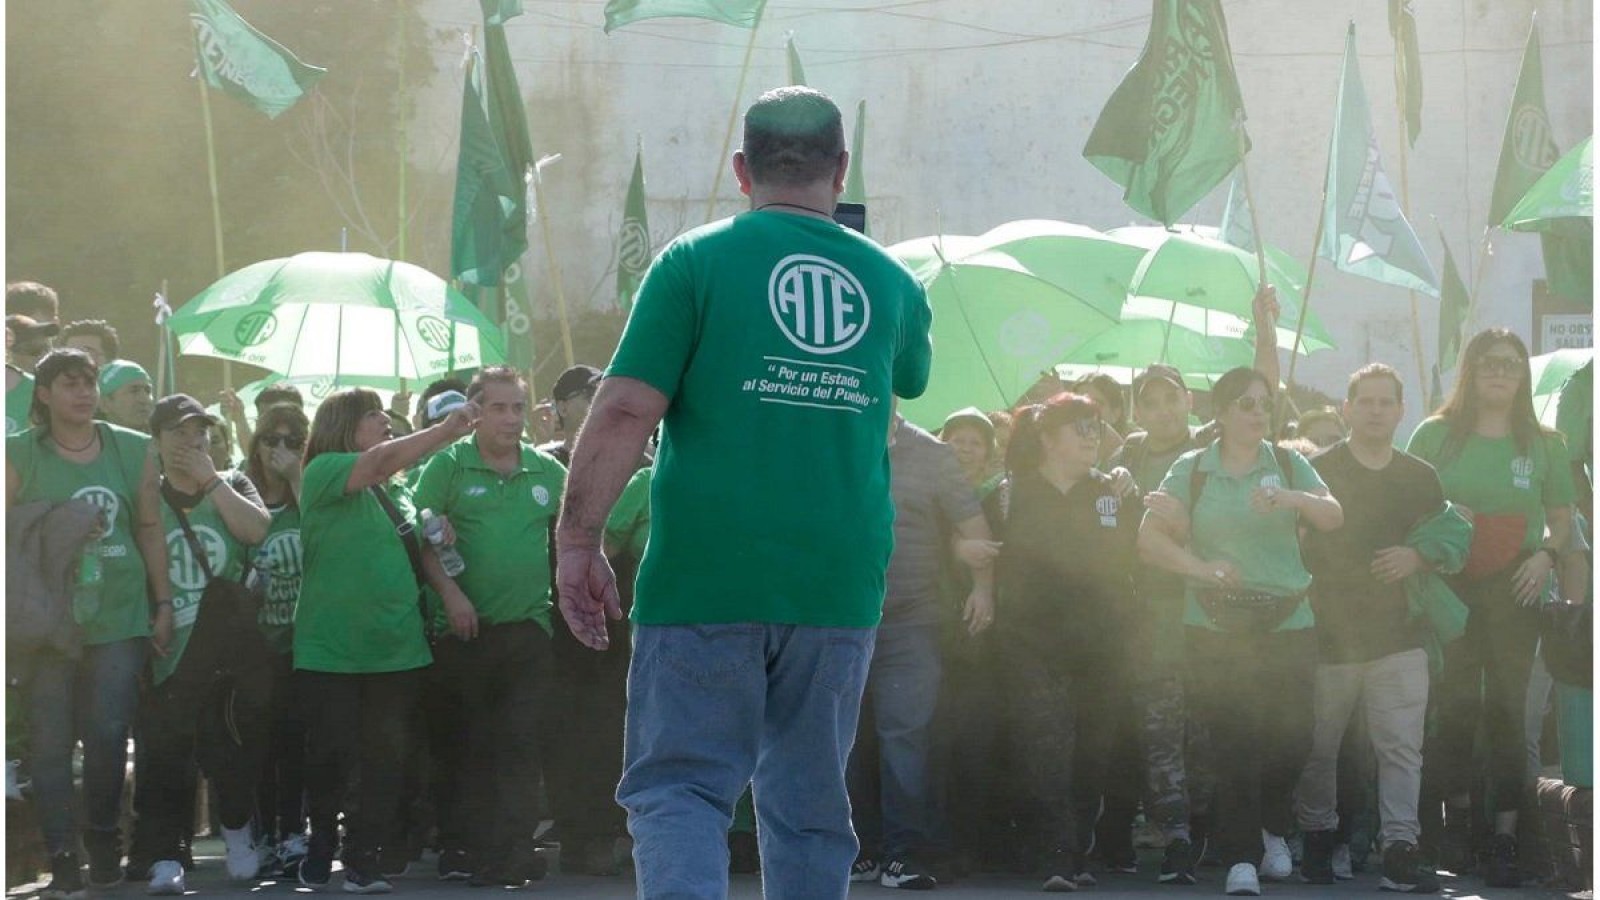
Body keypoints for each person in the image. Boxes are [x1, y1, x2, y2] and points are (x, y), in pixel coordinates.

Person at [555, 86, 932, 898]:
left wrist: (578, 541)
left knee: (681, 788)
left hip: (703, 577)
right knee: (806, 802)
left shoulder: (692, 261)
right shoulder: (893, 281)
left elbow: (623, 407)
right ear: (841, 168)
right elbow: (913, 378)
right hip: (836, 581)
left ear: (739, 170)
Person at [1137, 365, 1343, 897]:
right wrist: (1201, 570)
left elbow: (1333, 516)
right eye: (1246, 403)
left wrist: (1293, 500)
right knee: (1235, 741)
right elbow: (1149, 541)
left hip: (1288, 620)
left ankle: (1271, 823)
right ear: (1222, 412)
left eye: (1264, 402)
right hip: (1215, 622)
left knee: (1297, 734)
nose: (1257, 412)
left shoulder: (1291, 462)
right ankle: (1240, 859)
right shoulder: (1193, 468)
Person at [1107, 286, 1281, 886]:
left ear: (1190, 401)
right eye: (1148, 401)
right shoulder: (1123, 455)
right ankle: (1175, 837)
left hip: (1212, 611)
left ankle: (1210, 832)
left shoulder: (1211, 446)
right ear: (1136, 411)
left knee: (1208, 729)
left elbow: (1259, 391)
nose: (1160, 409)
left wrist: (1264, 329)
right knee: (1159, 731)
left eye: (1170, 397)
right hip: (1151, 617)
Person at [1406, 328, 1576, 888]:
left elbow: (1561, 516)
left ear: (1522, 374)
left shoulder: (1545, 441)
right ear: (1470, 372)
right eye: (1488, 364)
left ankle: (1504, 839)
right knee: (1450, 707)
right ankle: (1452, 832)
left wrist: (1547, 557)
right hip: (1449, 585)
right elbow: (1406, 508)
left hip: (1518, 587)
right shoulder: (1434, 435)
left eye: (1510, 364)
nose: (1500, 373)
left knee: (1506, 709)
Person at [293, 388, 478, 893]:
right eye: (372, 415)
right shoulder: (323, 470)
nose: (385, 421)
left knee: (384, 759)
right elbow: (376, 462)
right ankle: (321, 840)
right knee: (330, 755)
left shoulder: (398, 491)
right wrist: (445, 430)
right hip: (331, 648)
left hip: (395, 646)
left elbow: (418, 556)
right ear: (343, 425)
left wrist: (441, 544)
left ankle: (363, 858)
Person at [5, 349, 175, 897]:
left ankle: (102, 841)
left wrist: (164, 603)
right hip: (46, 623)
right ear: (45, 394)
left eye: (89, 383)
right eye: (68, 384)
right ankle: (62, 859)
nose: (82, 393)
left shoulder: (131, 448)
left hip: (119, 615)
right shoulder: (18, 453)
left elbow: (149, 526)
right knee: (50, 745)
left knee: (106, 735)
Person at [1292, 364, 1446, 893]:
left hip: (1401, 636)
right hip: (1327, 633)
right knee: (1320, 747)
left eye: (1387, 402)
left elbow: (1446, 536)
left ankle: (1401, 847)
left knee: (1402, 749)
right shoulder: (1315, 470)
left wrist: (1418, 556)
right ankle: (1316, 837)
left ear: (1402, 411)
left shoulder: (1421, 476)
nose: (1377, 410)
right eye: (1366, 401)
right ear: (1346, 408)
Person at [413, 367, 565, 887]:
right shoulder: (447, 466)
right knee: (475, 746)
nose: (510, 418)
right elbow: (422, 537)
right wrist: (451, 594)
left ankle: (516, 849)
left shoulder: (546, 470)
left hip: (529, 628)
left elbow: (580, 530)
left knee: (520, 742)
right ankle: (475, 850)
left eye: (517, 408)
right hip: (466, 630)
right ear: (475, 413)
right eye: (498, 408)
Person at [989, 392, 1140, 891]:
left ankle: (1075, 853)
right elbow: (978, 552)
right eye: (1079, 426)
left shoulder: (1114, 491)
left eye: (1095, 426)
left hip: (1102, 644)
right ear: (1047, 438)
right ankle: (1055, 856)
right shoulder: (1010, 494)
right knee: (1045, 749)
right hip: (1032, 643)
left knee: (1091, 754)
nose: (1091, 436)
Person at [127, 395, 273, 895]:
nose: (192, 442)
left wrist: (211, 480)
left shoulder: (232, 483)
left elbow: (257, 529)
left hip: (224, 647)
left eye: (200, 433)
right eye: (179, 433)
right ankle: (166, 854)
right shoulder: (146, 493)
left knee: (227, 745)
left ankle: (236, 828)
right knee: (166, 754)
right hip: (168, 647)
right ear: (157, 441)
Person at [847, 413, 995, 889]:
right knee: (846, 740)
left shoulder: (933, 452)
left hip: (911, 619)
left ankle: (902, 853)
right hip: (840, 617)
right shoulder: (834, 431)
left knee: (905, 736)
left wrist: (983, 589)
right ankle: (860, 851)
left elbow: (974, 525)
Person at [538, 361, 641, 875]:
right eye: (588, 393)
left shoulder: (636, 459)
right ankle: (579, 834)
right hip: (563, 612)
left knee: (611, 726)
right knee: (571, 726)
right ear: (561, 406)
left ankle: (611, 830)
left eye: (606, 391)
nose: (599, 400)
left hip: (620, 612)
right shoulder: (546, 463)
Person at [244, 402, 312, 876]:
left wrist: (298, 478)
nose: (280, 451)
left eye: (293, 441)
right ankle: (263, 831)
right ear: (256, 443)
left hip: (302, 641)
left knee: (296, 744)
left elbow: (326, 533)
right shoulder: (238, 492)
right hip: (252, 645)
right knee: (258, 746)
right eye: (272, 440)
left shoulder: (307, 493)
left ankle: (293, 831)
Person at [940, 407, 1001, 496]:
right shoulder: (923, 496)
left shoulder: (998, 500)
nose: (966, 449)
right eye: (958, 441)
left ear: (987, 455)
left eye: (976, 443)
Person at [97, 360, 155, 433]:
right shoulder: (88, 442)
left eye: (148, 391)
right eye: (134, 391)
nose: (145, 400)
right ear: (104, 404)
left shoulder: (165, 442)